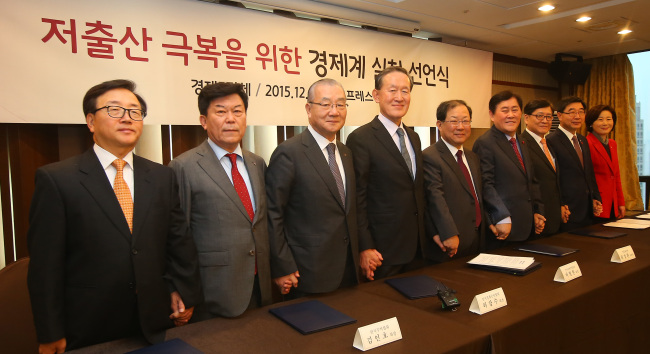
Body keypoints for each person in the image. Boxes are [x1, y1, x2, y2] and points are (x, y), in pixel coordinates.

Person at [27, 79, 202, 353]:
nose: (127, 118)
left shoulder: (160, 176)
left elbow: (178, 240)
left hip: (153, 319)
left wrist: (184, 290)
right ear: (91, 121)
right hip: (89, 324)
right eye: (115, 110)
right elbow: (45, 267)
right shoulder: (58, 179)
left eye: (135, 111)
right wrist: (50, 332)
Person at [168, 82, 272, 321]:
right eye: (221, 111)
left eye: (237, 111)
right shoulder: (183, 167)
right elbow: (176, 236)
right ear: (204, 121)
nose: (231, 119)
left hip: (260, 285)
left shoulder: (257, 163)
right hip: (212, 291)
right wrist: (181, 290)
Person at [266, 79, 359, 298]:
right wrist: (282, 266)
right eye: (325, 104)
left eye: (340, 104)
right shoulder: (289, 152)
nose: (334, 111)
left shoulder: (346, 153)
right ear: (309, 109)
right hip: (306, 272)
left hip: (348, 269)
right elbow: (273, 214)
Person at [346, 66, 426, 280]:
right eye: (392, 90)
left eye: (405, 91)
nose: (399, 97)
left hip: (418, 247)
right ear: (376, 95)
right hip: (382, 252)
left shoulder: (414, 137)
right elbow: (357, 198)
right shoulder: (361, 138)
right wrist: (365, 246)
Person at [472, 91, 545, 249]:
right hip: (503, 226)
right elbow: (486, 185)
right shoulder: (485, 143)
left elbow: (531, 180)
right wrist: (501, 217)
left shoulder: (522, 141)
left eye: (515, 109)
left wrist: (538, 210)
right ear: (492, 115)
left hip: (528, 224)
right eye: (505, 110)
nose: (511, 115)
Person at [422, 100, 484, 262]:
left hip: (478, 238)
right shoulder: (430, 156)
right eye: (454, 121)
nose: (460, 127)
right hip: (449, 242)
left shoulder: (472, 157)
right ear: (439, 124)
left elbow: (477, 197)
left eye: (465, 121)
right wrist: (448, 233)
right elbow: (435, 199)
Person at [547, 97, 602, 231]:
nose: (577, 116)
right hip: (567, 210)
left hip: (587, 209)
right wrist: (560, 204)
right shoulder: (551, 141)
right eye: (571, 112)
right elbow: (553, 179)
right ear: (559, 115)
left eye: (581, 112)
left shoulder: (582, 140)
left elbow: (588, 173)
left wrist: (595, 197)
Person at [521, 99, 570, 236]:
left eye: (549, 117)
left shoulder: (548, 144)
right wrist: (535, 212)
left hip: (554, 216)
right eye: (539, 116)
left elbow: (554, 179)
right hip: (536, 218)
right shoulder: (521, 145)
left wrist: (561, 204)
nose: (545, 120)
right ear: (526, 118)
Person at [585, 105, 625, 220]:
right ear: (591, 123)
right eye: (600, 119)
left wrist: (620, 202)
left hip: (613, 201)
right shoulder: (587, 143)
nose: (605, 123)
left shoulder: (612, 144)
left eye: (609, 119)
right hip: (597, 203)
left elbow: (616, 175)